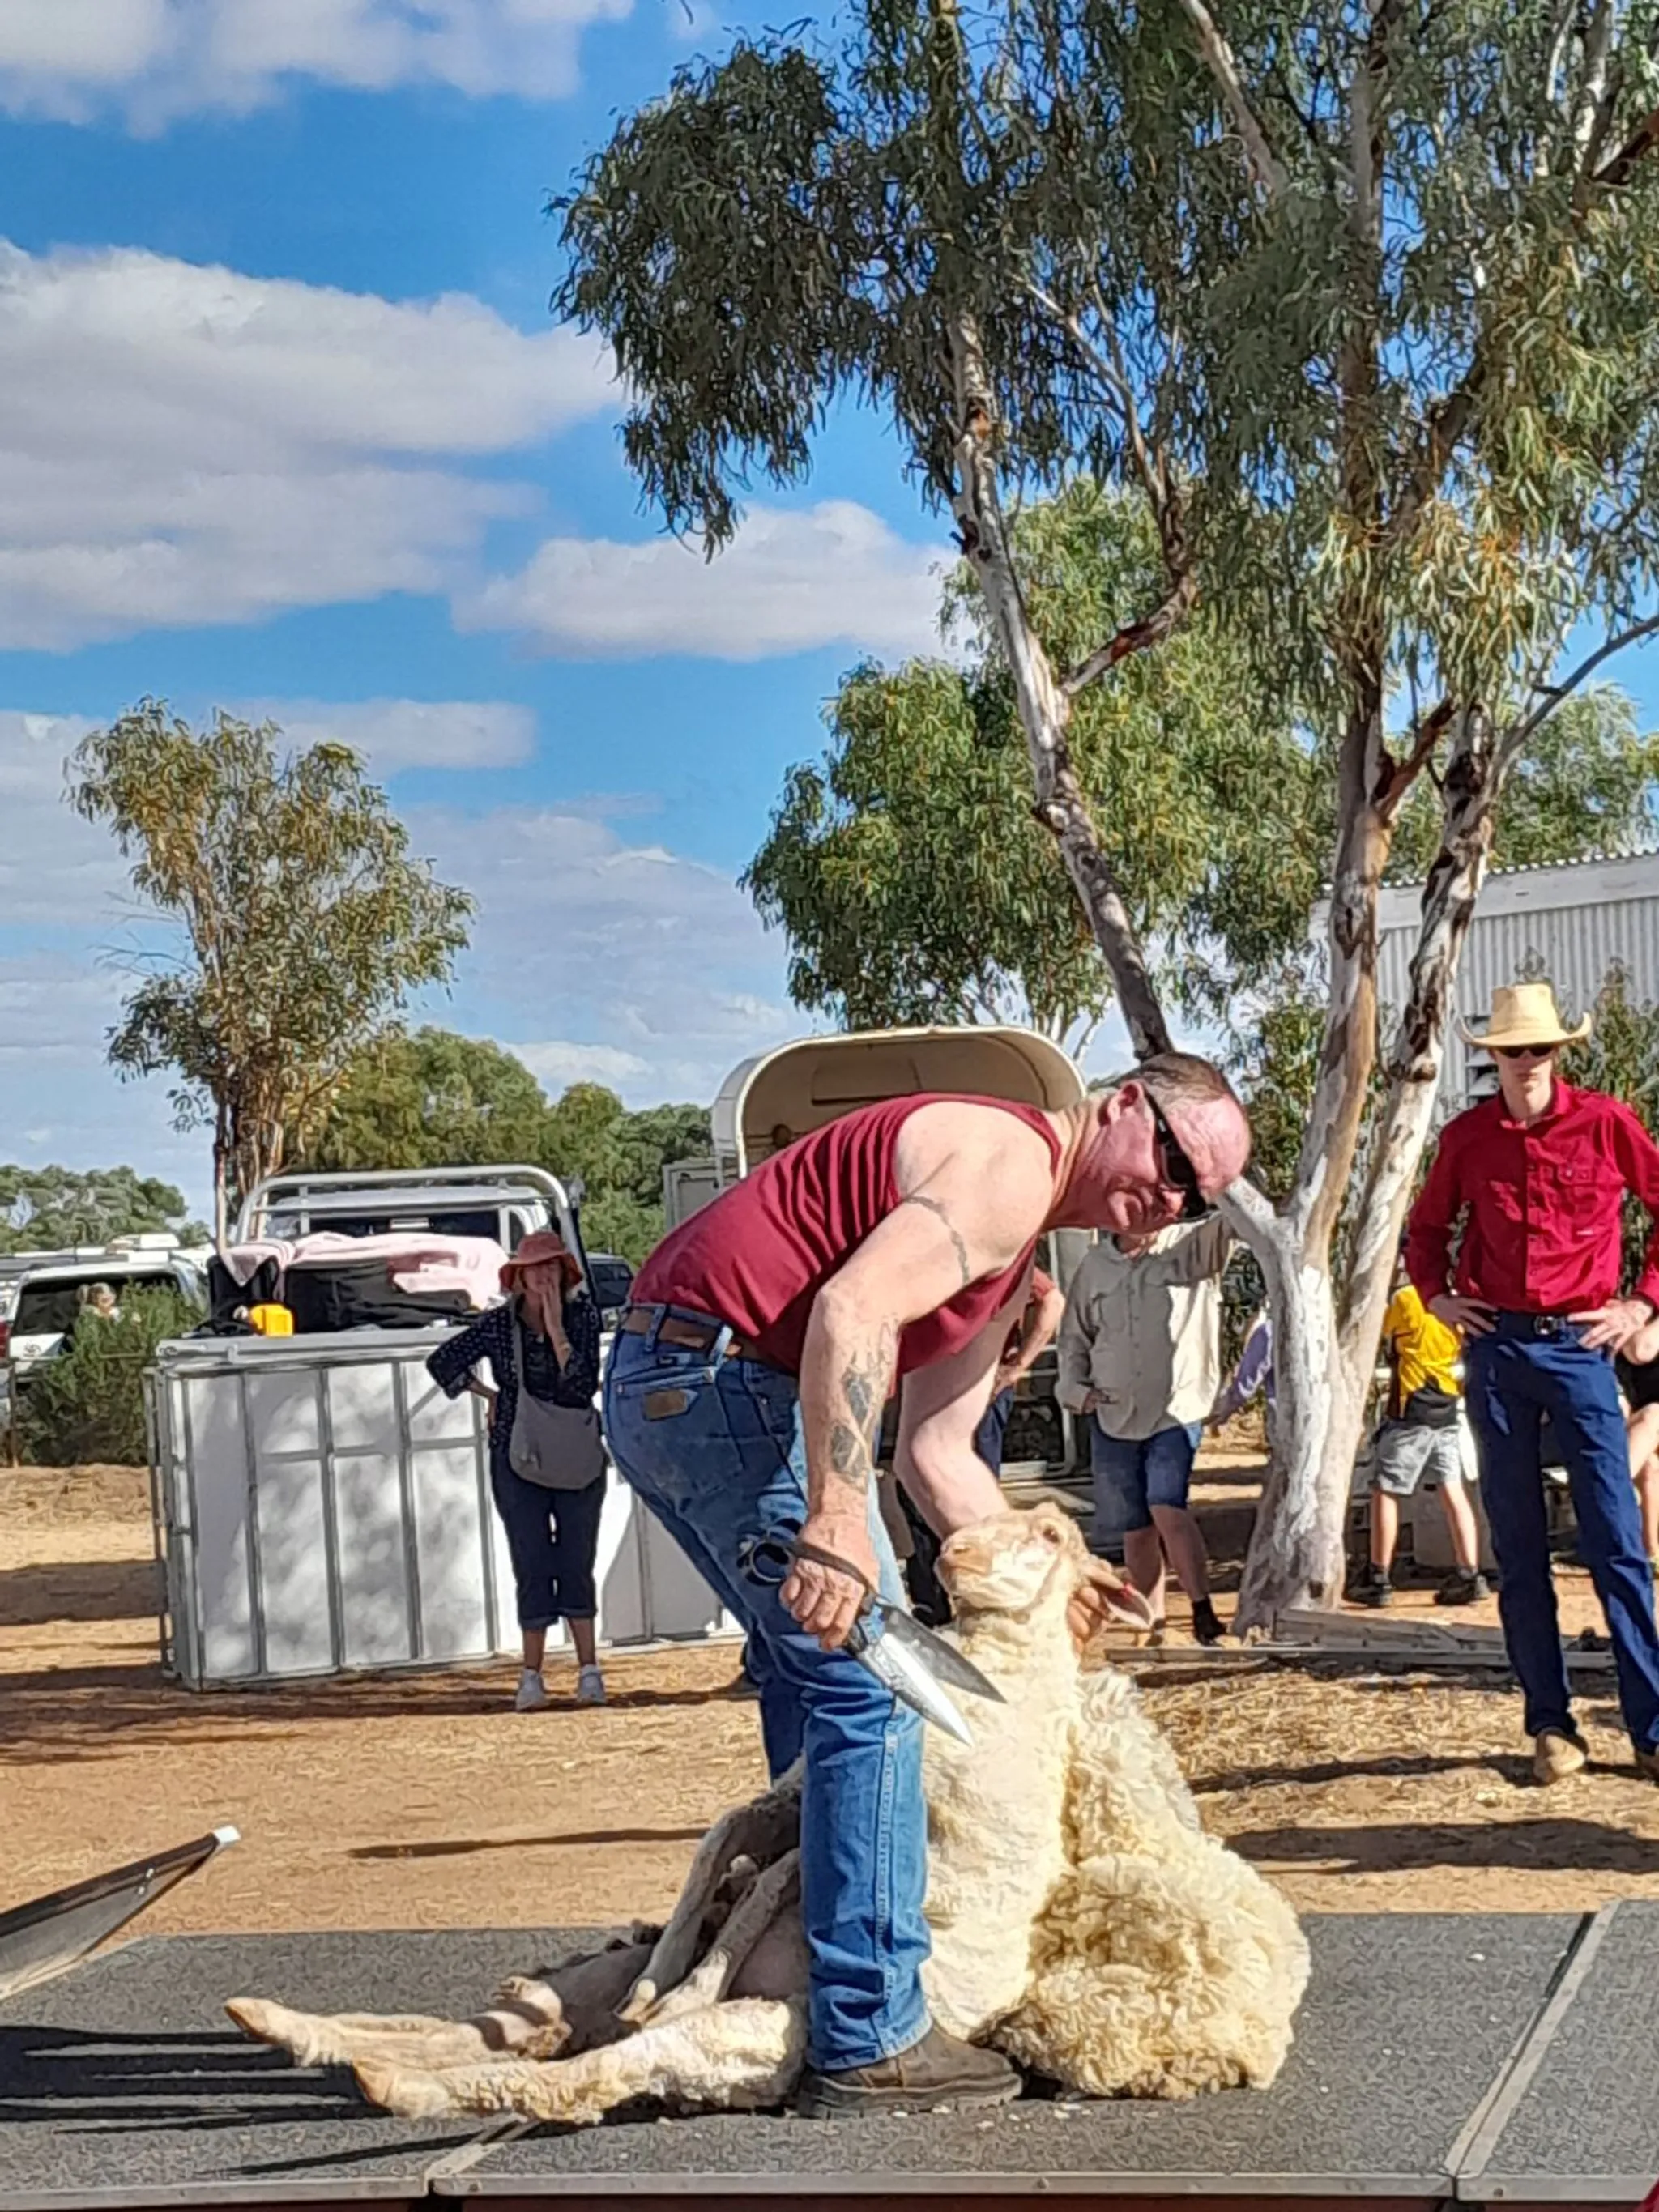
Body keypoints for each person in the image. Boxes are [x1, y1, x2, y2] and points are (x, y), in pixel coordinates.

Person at [603, 1055, 1251, 2118]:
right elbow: (850, 1311)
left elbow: (939, 1456)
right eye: (1174, 1158)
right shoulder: (1007, 1161)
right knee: (881, 1677)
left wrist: (1055, 1566)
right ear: (1126, 1102)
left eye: (1199, 1194)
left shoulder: (1015, 1241)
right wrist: (835, 1514)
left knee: (814, 1673)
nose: (1172, 1196)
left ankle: (793, 1978)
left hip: (675, 1376)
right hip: (724, 1377)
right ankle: (872, 2028)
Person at [1405, 981, 1659, 1786]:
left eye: (1537, 1049)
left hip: (1583, 1349)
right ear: (1493, 1058)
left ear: (1558, 1053)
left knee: (1616, 1543)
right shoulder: (1466, 1138)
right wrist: (1438, 1296)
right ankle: (1548, 1724)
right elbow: (1424, 1230)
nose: (1524, 1063)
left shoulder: (1605, 1124)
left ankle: (1648, 1728)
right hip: (1497, 1355)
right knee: (1516, 1549)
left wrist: (1639, 1302)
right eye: (1510, 1051)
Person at [428, 1230, 606, 1713]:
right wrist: (493, 1399)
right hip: (516, 1454)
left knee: (576, 1557)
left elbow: (582, 1383)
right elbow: (442, 1361)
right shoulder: (496, 1327)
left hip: (574, 1454)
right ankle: (532, 1675)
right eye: (535, 1269)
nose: (544, 1277)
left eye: (552, 1268)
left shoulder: (583, 1317)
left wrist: (556, 1330)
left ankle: (589, 1670)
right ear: (519, 1278)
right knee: (531, 1559)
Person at [1056, 1215, 1232, 1646]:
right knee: (1134, 1527)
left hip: (1175, 1411)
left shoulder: (1193, 1244)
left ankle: (1201, 1610)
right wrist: (1076, 1391)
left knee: (1166, 1506)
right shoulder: (1094, 1266)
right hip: (1113, 1414)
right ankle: (1149, 1622)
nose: (1146, 1208)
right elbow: (1074, 1336)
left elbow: (1239, 1220)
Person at [899, 1264, 1065, 1625]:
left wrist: (1019, 1365)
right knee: (914, 1493)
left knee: (963, 1489)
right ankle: (933, 1608)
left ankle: (1003, 1606)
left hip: (978, 1389)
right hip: (924, 1386)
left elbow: (1052, 1299)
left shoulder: (985, 1253)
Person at [1350, 1247, 1488, 1609]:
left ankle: (1377, 1576)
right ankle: (1469, 1573)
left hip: (1411, 1410)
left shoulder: (1406, 1299)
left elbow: (1379, 1334)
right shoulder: (1456, 1305)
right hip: (1446, 1407)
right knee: (1452, 1489)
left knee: (1386, 1490)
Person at [1618, 1315, 1659, 1572]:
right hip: (1641, 1433)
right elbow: (1636, 1353)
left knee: (1653, 1414)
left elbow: (1640, 1350)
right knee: (1650, 1465)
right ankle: (1650, 1553)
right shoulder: (1625, 1318)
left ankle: (1613, 1490)